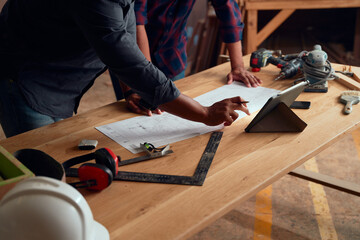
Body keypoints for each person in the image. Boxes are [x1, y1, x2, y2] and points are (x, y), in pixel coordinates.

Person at [0, 0, 249, 138]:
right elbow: (124, 56)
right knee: (42, 180)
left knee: (57, 156)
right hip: (26, 80)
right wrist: (205, 114)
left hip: (61, 78)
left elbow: (126, 28)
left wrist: (133, 89)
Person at [114, 0, 262, 115]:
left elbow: (227, 9)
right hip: (130, 57)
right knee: (135, 115)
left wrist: (237, 67)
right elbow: (132, 22)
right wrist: (136, 87)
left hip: (172, 57)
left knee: (172, 117)